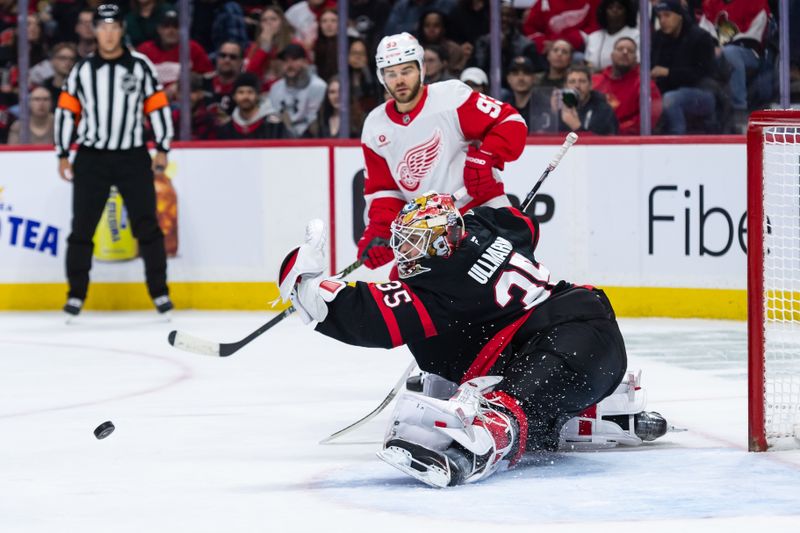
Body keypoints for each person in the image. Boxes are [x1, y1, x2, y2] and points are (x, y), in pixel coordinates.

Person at [278, 192, 671, 487]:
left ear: (442, 239)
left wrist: (306, 286)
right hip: (560, 341)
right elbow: (522, 222)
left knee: (520, 385)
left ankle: (485, 437)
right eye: (405, 239)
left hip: (578, 341)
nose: (406, 251)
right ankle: (569, 416)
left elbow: (370, 315)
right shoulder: (482, 225)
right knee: (441, 343)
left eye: (415, 241)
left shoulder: (444, 281)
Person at [357, 32, 526, 272]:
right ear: (381, 77)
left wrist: (485, 158)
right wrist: (381, 233)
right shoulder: (375, 125)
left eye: (406, 71)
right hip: (429, 229)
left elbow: (510, 121)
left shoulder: (450, 97)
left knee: (511, 274)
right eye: (391, 74)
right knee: (402, 283)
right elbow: (385, 192)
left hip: (481, 209)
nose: (399, 80)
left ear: (421, 68)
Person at [54, 5, 174, 318]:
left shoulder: (140, 66)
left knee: (147, 225)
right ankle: (76, 295)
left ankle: (160, 292)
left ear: (122, 29)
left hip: (132, 155)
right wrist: (63, 153)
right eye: (102, 26)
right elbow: (67, 111)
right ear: (94, 30)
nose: (108, 33)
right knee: (81, 228)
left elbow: (157, 107)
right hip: (91, 157)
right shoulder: (82, 70)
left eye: (114, 26)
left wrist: (162, 148)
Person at [650, 0, 717, 134]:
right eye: (659, 17)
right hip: (668, 92)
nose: (662, 20)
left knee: (672, 98)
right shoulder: (658, 38)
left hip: (703, 92)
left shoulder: (701, 37)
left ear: (679, 16)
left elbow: (704, 74)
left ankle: (677, 140)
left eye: (667, 15)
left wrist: (668, 73)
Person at [593, 37, 662, 135]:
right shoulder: (596, 81)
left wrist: (614, 130)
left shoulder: (645, 85)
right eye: (620, 49)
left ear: (635, 58)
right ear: (612, 55)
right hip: (593, 139)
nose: (625, 52)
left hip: (628, 142)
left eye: (630, 51)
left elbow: (650, 117)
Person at [267, 43, 327, 138]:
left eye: (294, 60)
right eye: (285, 61)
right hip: (282, 139)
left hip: (311, 139)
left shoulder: (318, 86)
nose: (290, 65)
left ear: (305, 62)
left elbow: (315, 120)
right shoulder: (276, 88)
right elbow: (273, 116)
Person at [217, 73, 286, 140]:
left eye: (250, 92)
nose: (245, 96)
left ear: (258, 96)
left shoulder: (274, 126)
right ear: (234, 96)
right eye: (241, 92)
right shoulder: (227, 129)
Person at [555, 65, 618, 135]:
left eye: (582, 81)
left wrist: (577, 127)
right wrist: (552, 112)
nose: (577, 86)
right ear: (565, 87)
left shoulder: (604, 111)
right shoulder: (558, 109)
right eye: (572, 82)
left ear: (591, 85)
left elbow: (604, 144)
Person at [584, 0, 639, 72]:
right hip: (596, 79)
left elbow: (637, 63)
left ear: (627, 12)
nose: (615, 11)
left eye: (619, 8)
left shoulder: (636, 35)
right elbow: (586, 63)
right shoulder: (593, 37)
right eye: (610, 8)